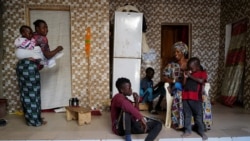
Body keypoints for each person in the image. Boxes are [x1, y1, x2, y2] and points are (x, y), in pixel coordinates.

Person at [15, 19, 63, 126]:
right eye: (44, 27)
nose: (47, 29)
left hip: (22, 67)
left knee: (26, 94)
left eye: (47, 27)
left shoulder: (32, 37)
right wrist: (58, 49)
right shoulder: (41, 38)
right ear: (37, 28)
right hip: (29, 68)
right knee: (33, 94)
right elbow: (47, 55)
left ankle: (34, 119)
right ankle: (35, 121)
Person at [163, 41, 189, 129]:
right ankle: (180, 123)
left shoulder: (190, 62)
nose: (175, 54)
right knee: (179, 94)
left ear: (183, 52)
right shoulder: (171, 65)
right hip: (178, 88)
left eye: (178, 52)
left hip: (189, 87)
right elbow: (165, 77)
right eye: (174, 52)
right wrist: (173, 80)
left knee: (201, 94)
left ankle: (198, 123)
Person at [181, 57, 208, 140]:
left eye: (192, 68)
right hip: (186, 97)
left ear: (197, 66)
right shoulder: (190, 74)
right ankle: (187, 130)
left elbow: (201, 81)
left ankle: (201, 131)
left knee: (198, 116)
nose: (190, 70)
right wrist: (185, 77)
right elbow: (184, 85)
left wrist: (190, 76)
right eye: (189, 68)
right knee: (187, 115)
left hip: (196, 99)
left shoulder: (203, 73)